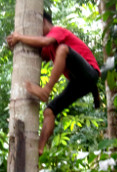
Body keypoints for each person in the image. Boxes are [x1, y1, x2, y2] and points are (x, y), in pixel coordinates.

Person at [5, 11, 100, 155]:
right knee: (49, 111)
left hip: (89, 73)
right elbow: (37, 51)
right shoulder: (49, 49)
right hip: (79, 82)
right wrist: (14, 45)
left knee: (63, 49)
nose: (39, 34)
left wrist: (19, 37)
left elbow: (44, 42)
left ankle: (46, 90)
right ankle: (40, 148)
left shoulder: (57, 31)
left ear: (44, 22)